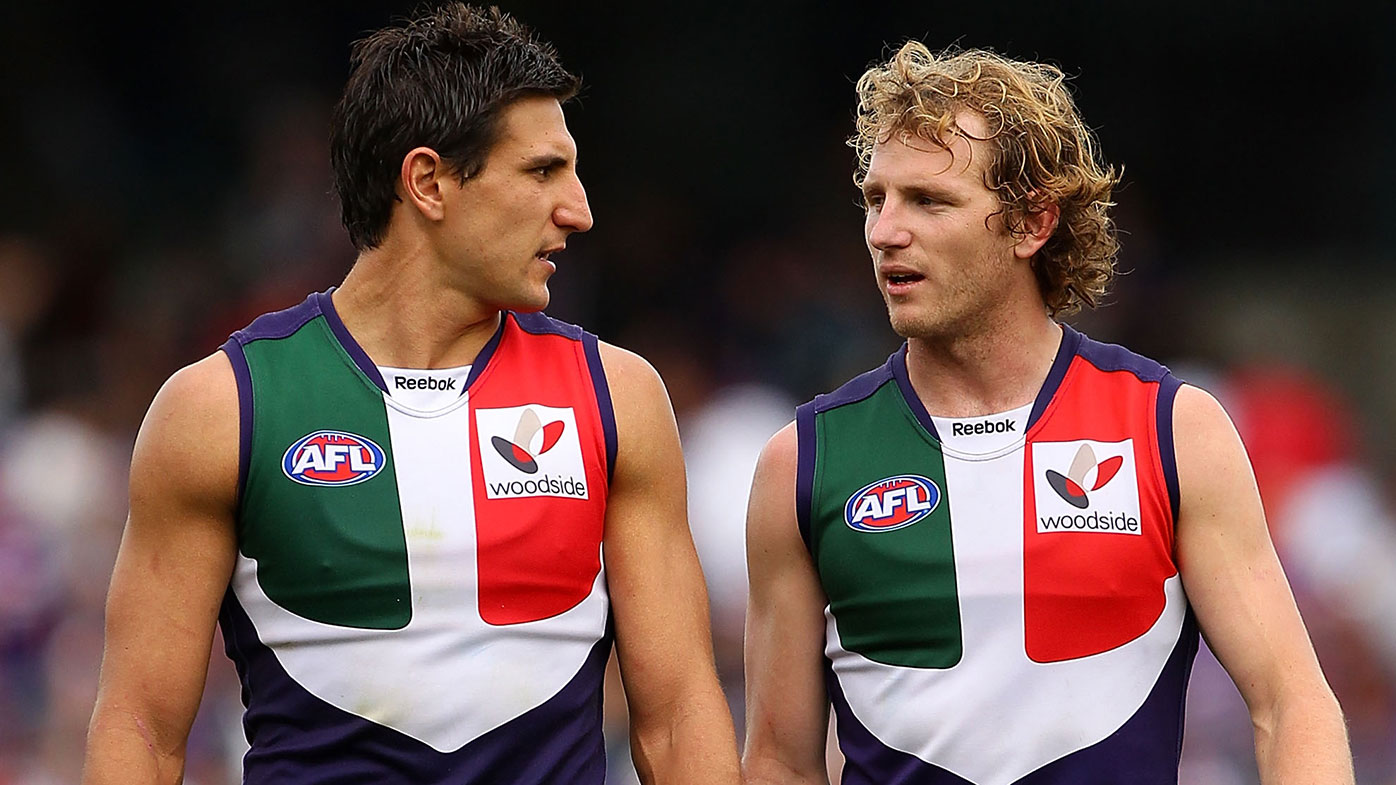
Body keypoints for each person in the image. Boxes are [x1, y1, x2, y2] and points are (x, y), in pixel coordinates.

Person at [82, 5, 741, 784]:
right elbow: (142, 730)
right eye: (541, 171)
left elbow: (674, 722)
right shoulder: (221, 409)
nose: (579, 210)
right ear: (428, 181)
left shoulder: (616, 397)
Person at [741, 42, 1353, 785]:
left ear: (1033, 223)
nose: (885, 232)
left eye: (929, 201)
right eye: (876, 199)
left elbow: (1292, 705)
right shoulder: (803, 461)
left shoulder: (1172, 429)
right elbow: (777, 760)